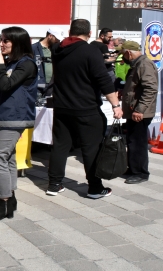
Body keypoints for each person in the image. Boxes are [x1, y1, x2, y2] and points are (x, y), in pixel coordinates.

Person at [47, 19, 122, 199]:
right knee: (91, 148)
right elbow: (102, 79)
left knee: (60, 145)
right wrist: (116, 105)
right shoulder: (90, 51)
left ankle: (54, 184)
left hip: (62, 106)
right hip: (86, 107)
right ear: (89, 34)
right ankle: (95, 187)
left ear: (70, 31)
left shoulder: (57, 50)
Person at [0, 26, 37, 221]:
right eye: (0, 39)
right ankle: (10, 199)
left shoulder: (26, 64)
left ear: (17, 42)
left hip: (15, 117)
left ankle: (4, 200)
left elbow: (7, 84)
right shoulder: (11, 62)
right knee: (8, 158)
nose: (1, 44)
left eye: (5, 40)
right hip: (3, 116)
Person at [119, 42, 159, 184]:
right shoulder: (137, 64)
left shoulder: (144, 64)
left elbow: (150, 89)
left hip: (139, 112)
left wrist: (139, 109)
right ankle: (133, 167)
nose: (122, 58)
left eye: (123, 54)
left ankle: (141, 172)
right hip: (133, 110)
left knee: (138, 142)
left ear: (129, 53)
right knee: (132, 141)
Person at [31, 28, 60, 96]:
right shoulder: (34, 48)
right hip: (37, 87)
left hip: (52, 87)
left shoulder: (56, 49)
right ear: (50, 36)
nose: (58, 41)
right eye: (56, 39)